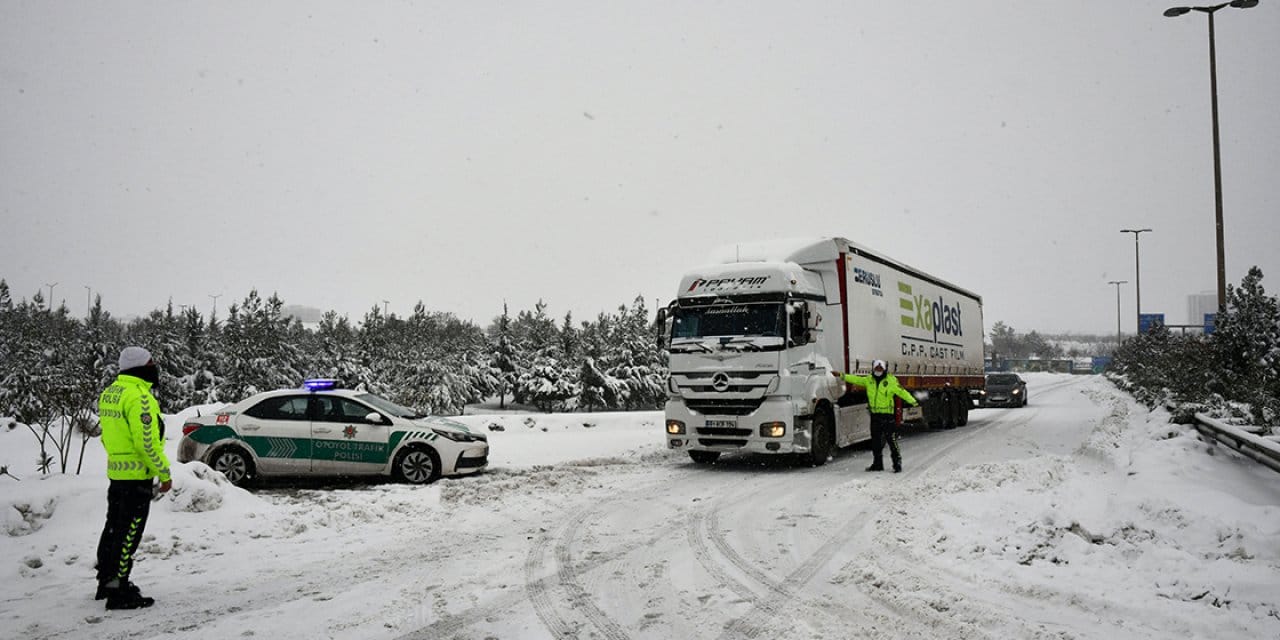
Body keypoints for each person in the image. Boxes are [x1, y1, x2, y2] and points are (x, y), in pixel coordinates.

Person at [95, 346, 172, 610]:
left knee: (113, 530)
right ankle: (119, 591)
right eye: (151, 363)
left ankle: (106, 581)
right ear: (141, 367)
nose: (154, 368)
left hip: (117, 475)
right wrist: (164, 473)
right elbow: (147, 444)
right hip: (136, 477)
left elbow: (107, 436)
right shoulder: (140, 398)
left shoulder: (111, 393)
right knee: (128, 534)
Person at [831, 359, 918, 473]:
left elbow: (902, 392)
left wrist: (913, 401)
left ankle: (897, 463)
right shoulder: (869, 380)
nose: (878, 370)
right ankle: (877, 464)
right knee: (875, 441)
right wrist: (841, 375)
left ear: (884, 369)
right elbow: (856, 379)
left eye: (880, 368)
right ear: (873, 368)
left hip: (887, 416)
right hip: (875, 416)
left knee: (891, 440)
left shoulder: (891, 381)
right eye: (877, 368)